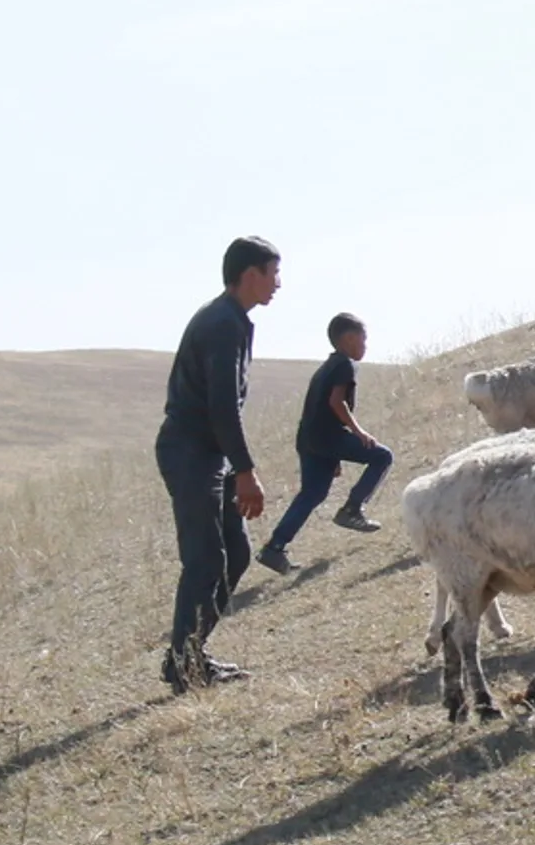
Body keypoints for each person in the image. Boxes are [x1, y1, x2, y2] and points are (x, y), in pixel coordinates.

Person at [159, 235, 278, 690]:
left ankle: (188, 657)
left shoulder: (233, 318)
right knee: (205, 559)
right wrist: (245, 470)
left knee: (237, 552)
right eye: (273, 273)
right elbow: (221, 407)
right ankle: (184, 663)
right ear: (250, 275)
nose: (278, 284)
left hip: (209, 453)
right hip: (191, 452)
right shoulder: (223, 323)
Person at [260, 312, 391, 570]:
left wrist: (333, 455)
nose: (365, 346)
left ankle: (274, 548)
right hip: (326, 437)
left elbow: (317, 409)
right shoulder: (344, 364)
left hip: (310, 438)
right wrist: (358, 432)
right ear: (350, 338)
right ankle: (353, 509)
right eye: (364, 340)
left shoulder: (326, 366)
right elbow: (336, 402)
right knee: (383, 456)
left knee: (312, 493)